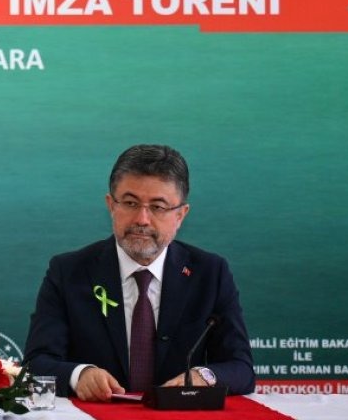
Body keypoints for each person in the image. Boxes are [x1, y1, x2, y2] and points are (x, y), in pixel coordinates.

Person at [24, 144, 255, 401]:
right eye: (131, 203)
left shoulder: (210, 273)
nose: (142, 219)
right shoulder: (68, 271)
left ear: (181, 215)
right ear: (111, 205)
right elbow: (36, 363)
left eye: (158, 207)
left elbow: (241, 368)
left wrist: (204, 376)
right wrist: (79, 374)